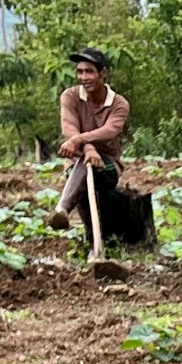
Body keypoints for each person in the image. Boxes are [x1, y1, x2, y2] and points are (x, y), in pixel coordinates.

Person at [52, 48, 131, 236]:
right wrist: (88, 148)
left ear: (103, 73)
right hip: (77, 163)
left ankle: (62, 208)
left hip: (108, 164)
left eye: (89, 72)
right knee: (82, 171)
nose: (83, 77)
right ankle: (93, 243)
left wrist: (79, 140)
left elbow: (110, 131)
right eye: (79, 72)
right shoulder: (70, 96)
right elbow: (69, 126)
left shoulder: (119, 104)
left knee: (90, 168)